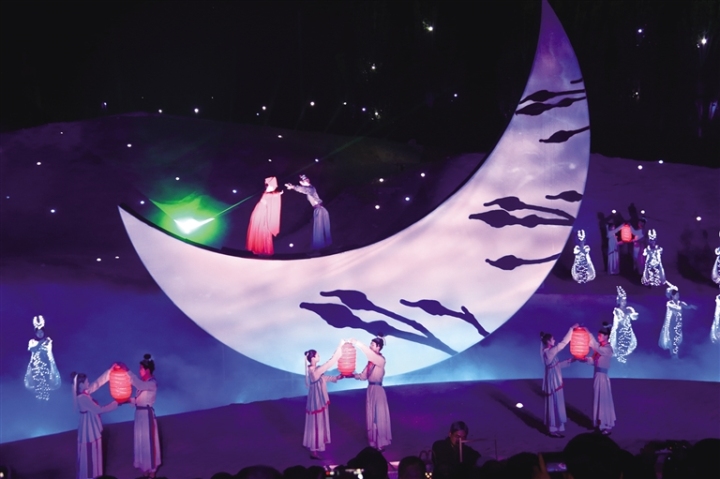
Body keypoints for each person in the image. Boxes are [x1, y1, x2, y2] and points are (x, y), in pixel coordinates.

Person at [72, 368, 119, 479]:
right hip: (88, 427)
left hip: (89, 424)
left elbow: (96, 384)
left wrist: (109, 372)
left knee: (93, 452)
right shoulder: (82, 398)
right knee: (91, 453)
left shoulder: (84, 394)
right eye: (87, 382)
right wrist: (115, 404)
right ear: (81, 385)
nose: (89, 383)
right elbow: (99, 410)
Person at [303, 341, 344, 459]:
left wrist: (336, 378)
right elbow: (329, 363)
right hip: (316, 400)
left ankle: (317, 447)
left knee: (318, 421)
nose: (319, 356)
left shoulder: (315, 370)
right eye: (317, 355)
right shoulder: (314, 371)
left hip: (317, 398)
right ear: (313, 358)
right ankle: (314, 450)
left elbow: (323, 378)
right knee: (316, 422)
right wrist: (339, 349)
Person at [351, 336, 391, 451]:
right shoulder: (371, 362)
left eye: (372, 345)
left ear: (378, 347)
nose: (370, 346)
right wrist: (351, 375)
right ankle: (373, 442)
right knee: (371, 415)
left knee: (379, 415)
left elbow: (369, 354)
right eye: (370, 344)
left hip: (378, 390)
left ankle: (381, 443)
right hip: (370, 389)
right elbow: (363, 376)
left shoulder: (380, 360)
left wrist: (357, 342)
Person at [127, 354, 161, 477]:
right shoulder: (144, 383)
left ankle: (152, 471)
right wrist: (127, 400)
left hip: (147, 415)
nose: (139, 371)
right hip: (139, 415)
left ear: (147, 370)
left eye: (141, 368)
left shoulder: (152, 383)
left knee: (148, 441)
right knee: (141, 441)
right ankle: (145, 468)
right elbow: (138, 400)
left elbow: (140, 386)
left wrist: (127, 372)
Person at [540, 325, 577, 437]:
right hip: (553, 380)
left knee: (556, 401)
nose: (554, 340)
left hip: (554, 378)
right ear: (548, 341)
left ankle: (557, 426)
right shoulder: (549, 352)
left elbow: (557, 365)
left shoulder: (548, 352)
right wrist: (571, 329)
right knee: (553, 402)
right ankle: (553, 428)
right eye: (553, 339)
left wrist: (570, 361)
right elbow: (563, 343)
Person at [579, 323, 616, 435]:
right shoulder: (600, 349)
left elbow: (596, 347)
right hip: (597, 376)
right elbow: (593, 361)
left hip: (603, 377)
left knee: (603, 400)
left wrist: (588, 333)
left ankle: (606, 424)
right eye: (598, 335)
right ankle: (599, 423)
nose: (599, 337)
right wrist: (584, 359)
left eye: (600, 335)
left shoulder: (608, 349)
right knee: (597, 399)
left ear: (606, 336)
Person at [285, 174, 332, 250]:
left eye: (302, 182)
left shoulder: (311, 189)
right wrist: (294, 186)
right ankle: (325, 246)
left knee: (319, 228)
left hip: (319, 210)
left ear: (306, 181)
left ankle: (320, 248)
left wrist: (293, 187)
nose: (301, 183)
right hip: (321, 209)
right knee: (322, 228)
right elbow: (303, 189)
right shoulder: (310, 188)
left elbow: (303, 189)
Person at [24, 315, 61, 400]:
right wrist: (41, 343)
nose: (40, 334)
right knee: (36, 384)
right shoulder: (32, 341)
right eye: (38, 332)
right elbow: (31, 349)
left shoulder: (48, 340)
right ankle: (37, 400)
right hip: (35, 366)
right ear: (35, 333)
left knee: (46, 383)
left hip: (46, 365)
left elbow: (48, 351)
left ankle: (46, 399)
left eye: (41, 332)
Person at [659, 281, 697, 358]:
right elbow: (675, 308)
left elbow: (686, 306)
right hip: (671, 323)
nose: (678, 296)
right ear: (672, 296)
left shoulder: (680, 303)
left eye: (678, 294)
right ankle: (674, 355)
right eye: (676, 295)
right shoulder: (669, 303)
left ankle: (675, 354)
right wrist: (679, 307)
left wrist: (690, 306)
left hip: (678, 323)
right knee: (672, 338)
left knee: (676, 338)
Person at [246, 176, 283, 255]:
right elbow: (269, 195)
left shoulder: (270, 193)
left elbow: (272, 196)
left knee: (264, 229)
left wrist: (277, 194)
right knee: (260, 228)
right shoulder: (267, 193)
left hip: (263, 212)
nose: (268, 187)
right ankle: (257, 248)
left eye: (270, 186)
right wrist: (278, 193)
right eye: (268, 185)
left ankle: (263, 249)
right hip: (259, 213)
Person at [609, 286, 638, 363]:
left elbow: (634, 317)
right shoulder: (617, 310)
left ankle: (624, 359)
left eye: (625, 301)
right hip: (620, 331)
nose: (624, 302)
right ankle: (620, 358)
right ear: (619, 301)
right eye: (622, 301)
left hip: (627, 331)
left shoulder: (629, 309)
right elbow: (617, 321)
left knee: (627, 344)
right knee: (620, 345)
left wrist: (633, 315)